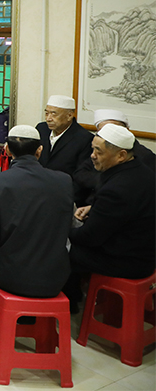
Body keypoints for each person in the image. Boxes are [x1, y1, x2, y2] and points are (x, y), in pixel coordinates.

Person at [0, 125, 73, 331]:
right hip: (56, 275)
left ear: (6, 149)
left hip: (12, 276)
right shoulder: (64, 181)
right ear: (39, 150)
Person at [64, 124, 156, 309]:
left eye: (99, 152)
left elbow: (90, 238)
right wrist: (94, 207)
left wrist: (62, 230)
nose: (92, 156)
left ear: (121, 155)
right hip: (145, 253)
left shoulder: (117, 189)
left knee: (57, 248)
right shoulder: (142, 171)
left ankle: (68, 303)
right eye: (92, 149)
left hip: (125, 260)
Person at [76, 109, 156, 206]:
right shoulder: (99, 150)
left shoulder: (145, 157)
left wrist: (109, 181)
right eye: (103, 131)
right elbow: (80, 174)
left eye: (113, 128)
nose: (108, 134)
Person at [35, 95, 95, 206]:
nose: (48, 118)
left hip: (64, 199)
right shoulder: (41, 129)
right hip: (37, 194)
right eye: (47, 113)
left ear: (69, 115)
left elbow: (81, 178)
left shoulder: (84, 139)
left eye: (54, 114)